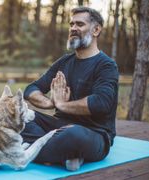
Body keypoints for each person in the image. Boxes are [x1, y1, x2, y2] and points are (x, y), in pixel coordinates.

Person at [21, 6, 119, 171]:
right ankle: (63, 156)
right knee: (18, 117)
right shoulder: (64, 62)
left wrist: (62, 105)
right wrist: (49, 103)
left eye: (79, 24)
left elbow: (102, 103)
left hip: (93, 134)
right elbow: (31, 89)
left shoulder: (107, 65)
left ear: (96, 30)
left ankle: (24, 150)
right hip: (58, 127)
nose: (73, 28)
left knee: (73, 135)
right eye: (71, 24)